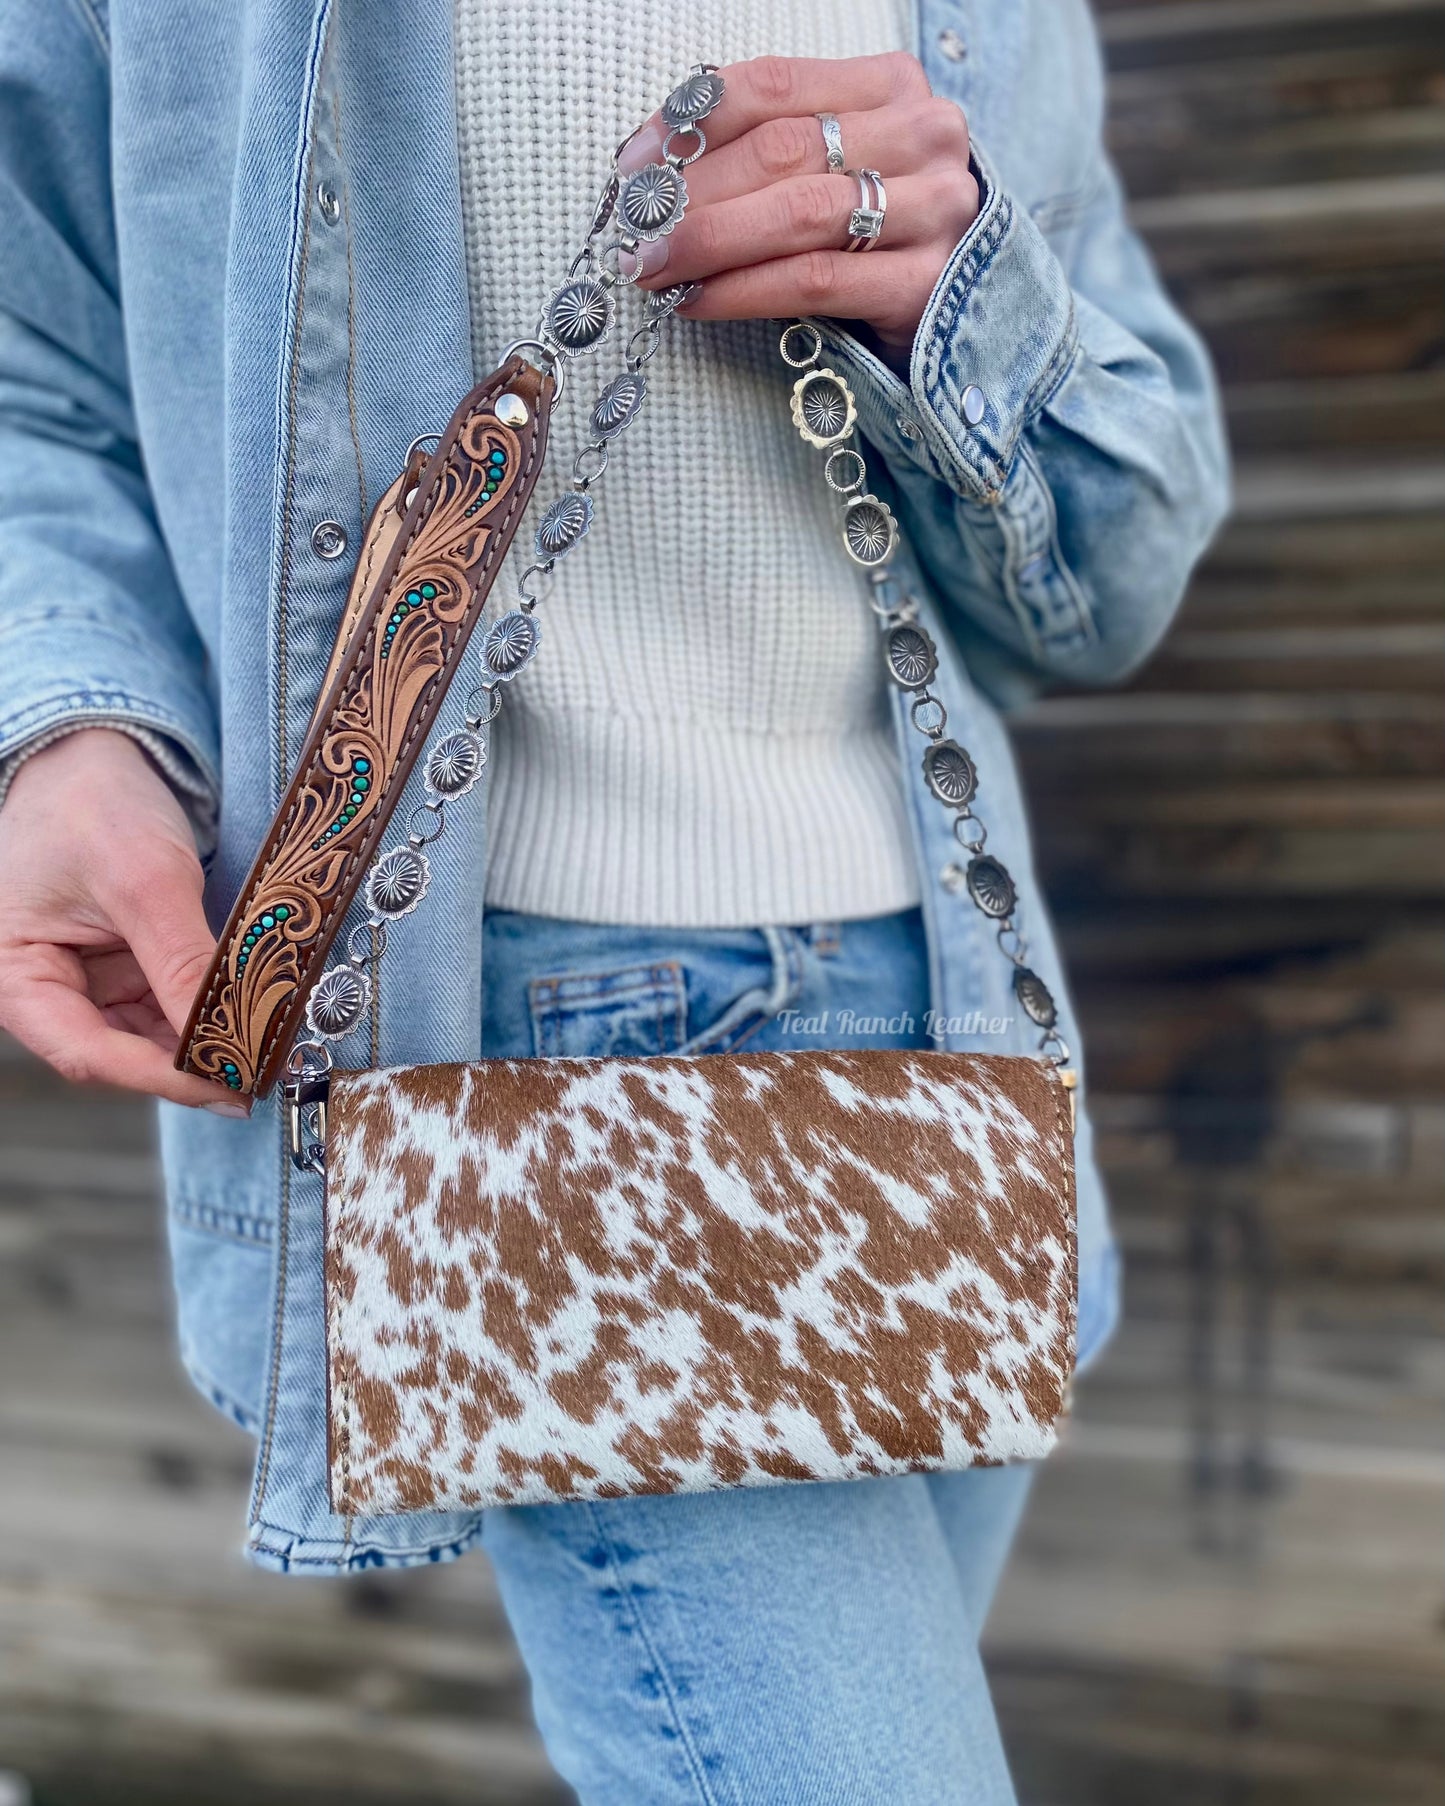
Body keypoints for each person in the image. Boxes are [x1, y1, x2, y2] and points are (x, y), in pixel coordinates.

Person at [0, 3, 1228, 1800]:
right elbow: (33, 364)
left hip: (942, 1033)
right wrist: (64, 723)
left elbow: (1106, 578)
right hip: (531, 1101)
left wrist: (954, 292)